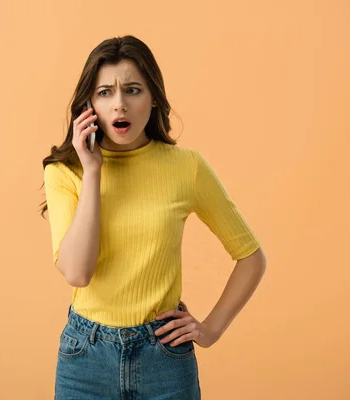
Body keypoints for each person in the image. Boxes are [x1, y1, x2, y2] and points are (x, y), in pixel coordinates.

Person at [39, 35, 267, 400]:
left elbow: (252, 258)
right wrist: (94, 171)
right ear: (88, 104)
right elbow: (78, 272)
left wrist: (210, 329)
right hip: (86, 358)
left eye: (132, 90)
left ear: (155, 98)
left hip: (163, 357)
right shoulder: (66, 172)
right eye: (104, 93)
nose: (119, 106)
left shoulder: (187, 168)